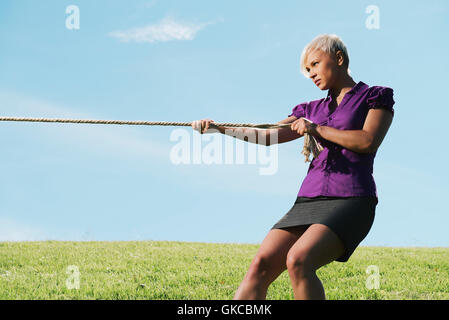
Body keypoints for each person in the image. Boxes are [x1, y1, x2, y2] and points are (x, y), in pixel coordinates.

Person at [191, 34, 395, 300]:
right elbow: (266, 135)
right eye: (307, 70)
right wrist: (220, 129)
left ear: (339, 58)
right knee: (261, 264)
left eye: (315, 64)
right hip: (308, 199)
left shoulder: (374, 96)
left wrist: (317, 129)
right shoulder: (308, 109)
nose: (311, 74)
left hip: (352, 199)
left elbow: (367, 141)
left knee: (299, 259)